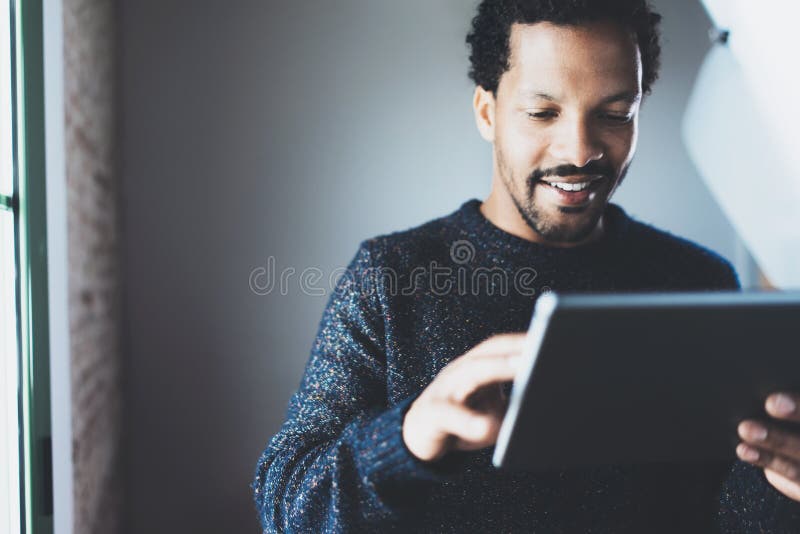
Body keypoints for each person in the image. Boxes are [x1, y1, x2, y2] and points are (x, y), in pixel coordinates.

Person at [252, 1, 800, 531]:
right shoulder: (391, 278)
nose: (580, 150)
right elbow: (285, 507)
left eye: (615, 115)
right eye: (543, 113)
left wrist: (781, 484)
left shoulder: (701, 284)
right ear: (487, 112)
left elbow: (725, 517)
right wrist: (409, 436)